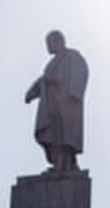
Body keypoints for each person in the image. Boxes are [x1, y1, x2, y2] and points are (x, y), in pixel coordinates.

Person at [25, 30, 89, 172]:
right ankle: (59, 164)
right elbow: (44, 80)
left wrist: (72, 91)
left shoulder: (73, 56)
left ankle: (66, 165)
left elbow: (81, 73)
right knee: (53, 135)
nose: (48, 47)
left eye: (49, 43)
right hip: (51, 105)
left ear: (58, 41)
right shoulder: (52, 63)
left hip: (66, 103)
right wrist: (32, 92)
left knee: (65, 136)